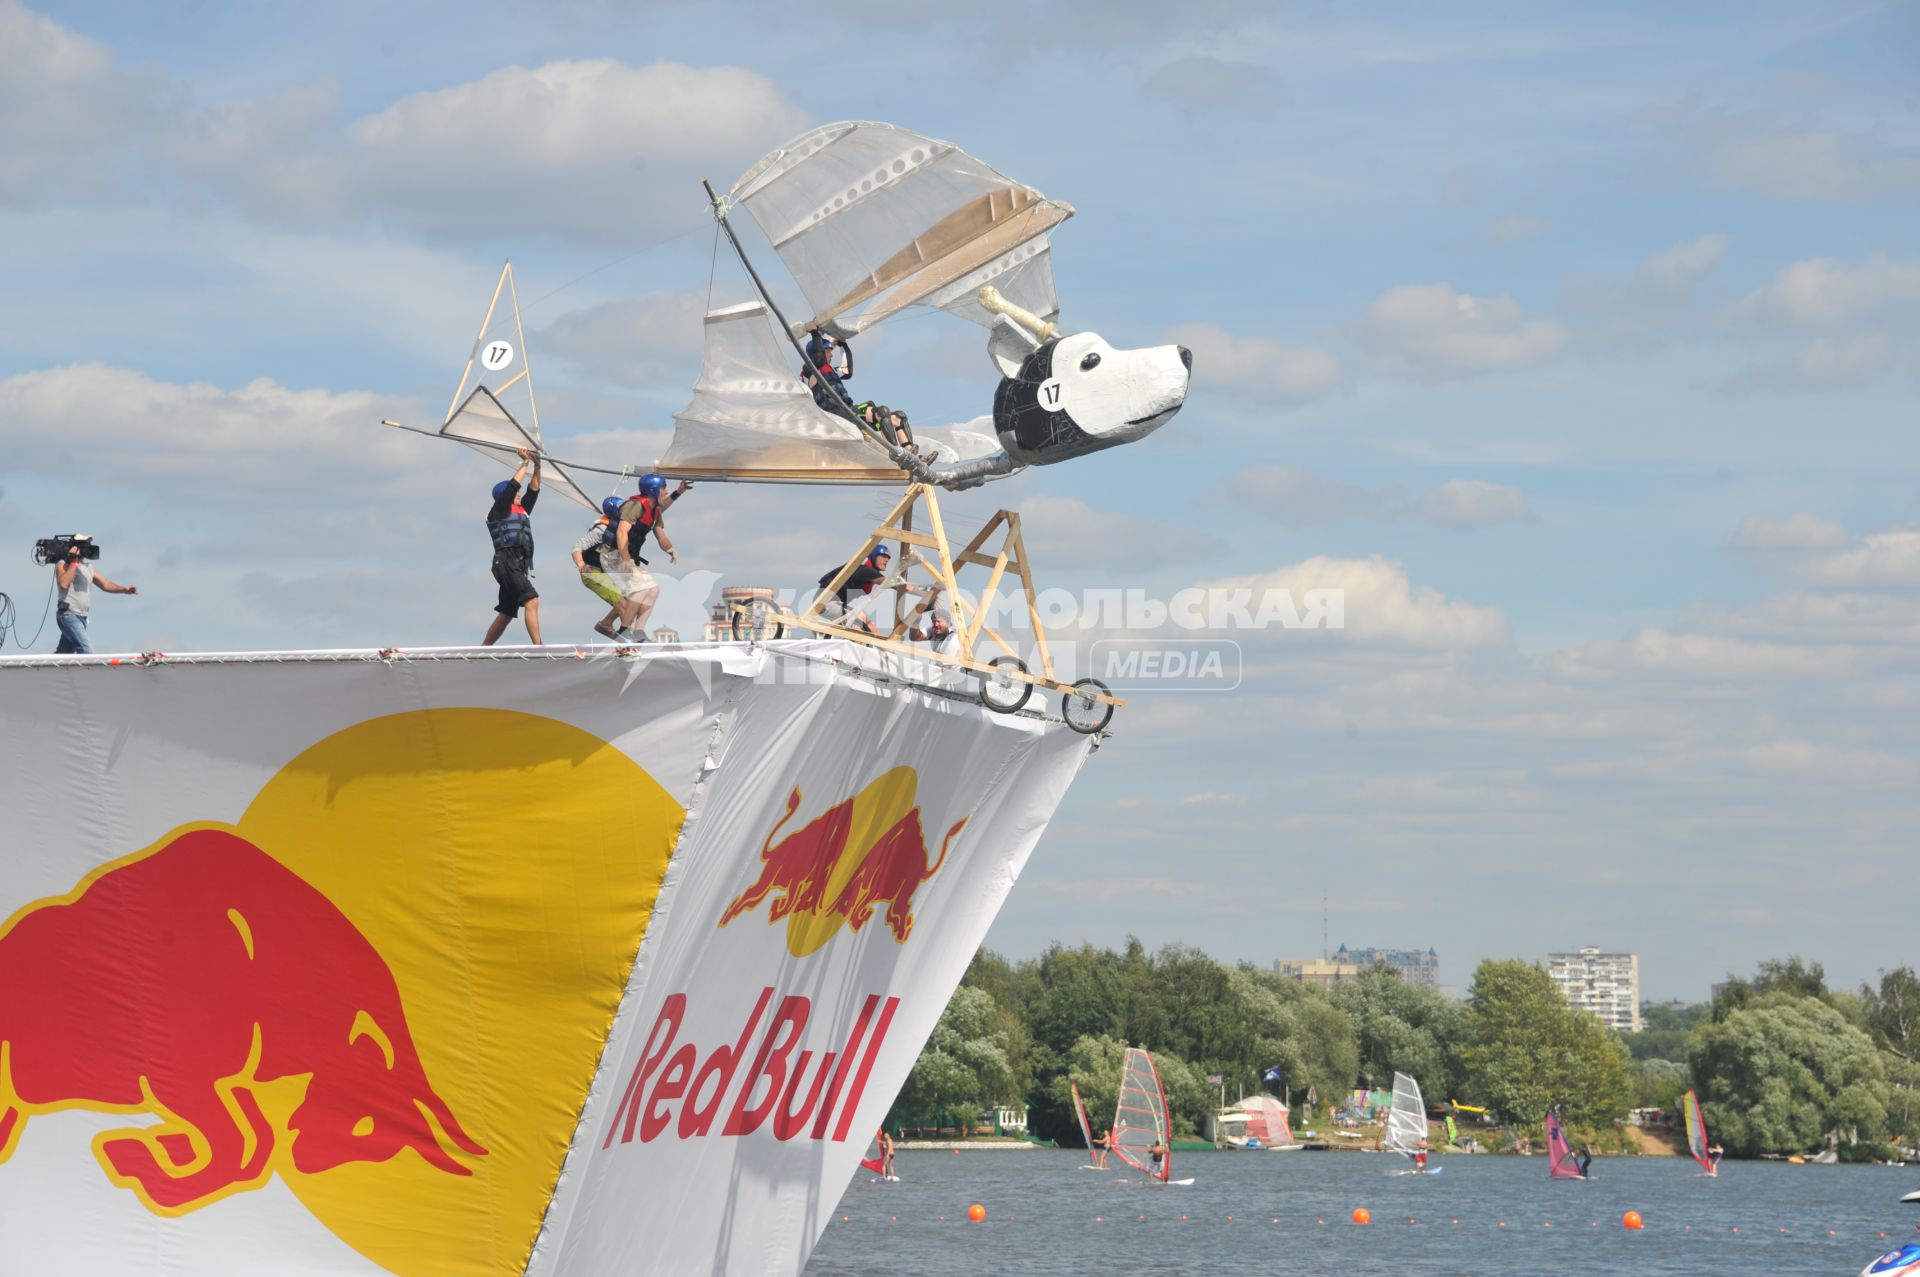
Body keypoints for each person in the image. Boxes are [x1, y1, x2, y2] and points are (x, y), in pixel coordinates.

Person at [612, 474, 692, 641]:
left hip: (629, 557)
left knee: (653, 589)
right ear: (654, 490)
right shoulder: (634, 505)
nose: (666, 491)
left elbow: (661, 537)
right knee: (641, 588)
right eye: (664, 489)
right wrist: (625, 560)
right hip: (613, 555)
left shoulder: (654, 512)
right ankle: (624, 630)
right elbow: (621, 532)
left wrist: (671, 549)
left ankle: (639, 631)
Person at [482, 449, 542, 645]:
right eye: (516, 493)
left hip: (517, 564)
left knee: (507, 612)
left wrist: (537, 465)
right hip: (506, 562)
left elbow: (533, 490)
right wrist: (524, 463)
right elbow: (513, 485)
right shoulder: (498, 510)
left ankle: (483, 648)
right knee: (531, 601)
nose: (519, 495)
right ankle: (539, 646)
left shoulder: (522, 510)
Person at [52, 543, 136, 655]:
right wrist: (74, 561)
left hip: (82, 617)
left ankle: (47, 672)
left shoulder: (88, 567)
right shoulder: (62, 565)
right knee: (87, 652)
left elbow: (105, 584)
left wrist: (124, 589)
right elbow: (63, 583)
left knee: (63, 655)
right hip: (68, 615)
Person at [572, 497, 627, 639]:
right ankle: (631, 641)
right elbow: (576, 548)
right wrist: (581, 564)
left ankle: (606, 624)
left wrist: (677, 493)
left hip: (608, 572)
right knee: (623, 603)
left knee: (633, 599)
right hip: (592, 571)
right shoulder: (601, 529)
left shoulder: (622, 526)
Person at [815, 545, 890, 634]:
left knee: (871, 625)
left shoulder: (870, 573)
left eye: (888, 557)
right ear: (873, 556)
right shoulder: (863, 569)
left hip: (837, 605)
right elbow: (890, 583)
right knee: (859, 616)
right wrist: (905, 586)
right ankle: (853, 645)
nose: (887, 560)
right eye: (883, 556)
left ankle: (889, 648)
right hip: (825, 602)